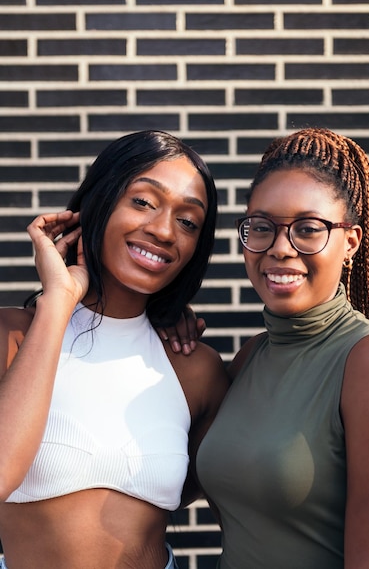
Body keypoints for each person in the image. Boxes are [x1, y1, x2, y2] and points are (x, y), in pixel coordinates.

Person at [167, 128, 369, 568]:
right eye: (262, 227)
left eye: (307, 229)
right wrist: (158, 322)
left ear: (351, 243)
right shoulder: (249, 359)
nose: (281, 249)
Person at [0, 130, 230, 569]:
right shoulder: (11, 335)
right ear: (98, 203)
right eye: (143, 201)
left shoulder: (195, 369)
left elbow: (241, 508)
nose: (164, 230)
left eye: (188, 221)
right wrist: (59, 303)